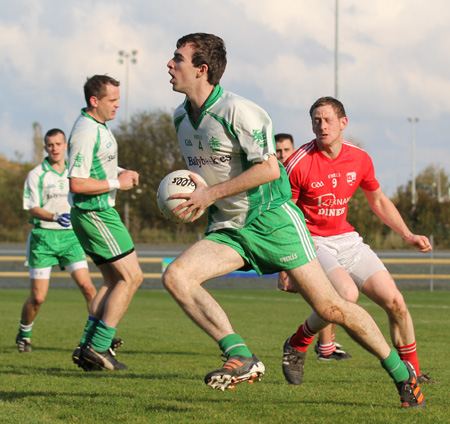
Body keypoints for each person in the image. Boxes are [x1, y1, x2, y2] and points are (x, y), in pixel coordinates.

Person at [163, 32, 425, 408]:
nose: (169, 65)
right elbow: (210, 177)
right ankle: (241, 355)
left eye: (178, 59)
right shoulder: (180, 118)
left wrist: (208, 195)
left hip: (273, 222)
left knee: (333, 308)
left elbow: (270, 169)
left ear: (202, 70)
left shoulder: (241, 110)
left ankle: (402, 375)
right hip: (230, 229)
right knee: (176, 276)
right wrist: (194, 201)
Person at [279, 96, 435, 384]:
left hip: (348, 240)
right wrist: (285, 265)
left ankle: (412, 372)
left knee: (396, 302)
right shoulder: (297, 163)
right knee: (346, 296)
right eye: (316, 120)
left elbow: (377, 200)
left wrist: (408, 234)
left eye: (327, 120)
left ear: (343, 123)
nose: (321, 126)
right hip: (312, 241)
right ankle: (299, 341)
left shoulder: (359, 158)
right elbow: (284, 216)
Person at [68, 74, 143, 371]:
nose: (117, 105)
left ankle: (87, 345)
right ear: (94, 101)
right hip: (96, 213)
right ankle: (100, 347)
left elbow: (98, 166)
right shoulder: (87, 131)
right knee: (132, 277)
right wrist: (118, 184)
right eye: (112, 100)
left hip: (96, 213)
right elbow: (76, 183)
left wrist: (122, 172)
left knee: (113, 281)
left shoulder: (98, 127)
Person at [16, 128, 97, 353]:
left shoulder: (76, 170)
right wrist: (53, 216)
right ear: (45, 147)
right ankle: (24, 333)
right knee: (38, 298)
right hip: (43, 238)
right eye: (50, 145)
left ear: (65, 146)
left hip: (71, 238)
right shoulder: (36, 174)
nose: (55, 149)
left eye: (59, 144)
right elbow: (31, 208)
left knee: (88, 288)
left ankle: (98, 337)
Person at [276, 133, 350, 361]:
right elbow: (283, 221)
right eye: (277, 151)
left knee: (329, 293)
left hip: (317, 241)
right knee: (329, 294)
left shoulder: (301, 169)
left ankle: (325, 345)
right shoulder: (274, 177)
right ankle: (321, 345)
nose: (282, 155)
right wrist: (284, 267)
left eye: (286, 150)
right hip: (297, 243)